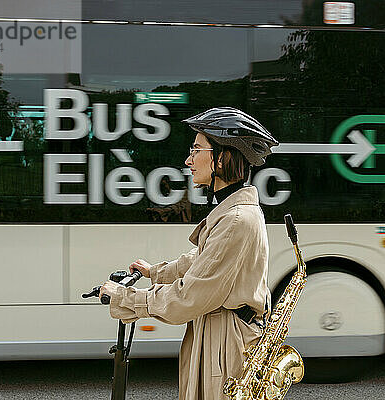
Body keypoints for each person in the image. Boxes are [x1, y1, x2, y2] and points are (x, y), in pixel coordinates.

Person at [100, 107, 279, 400]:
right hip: (219, 335)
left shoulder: (236, 220)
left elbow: (189, 297)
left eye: (196, 149)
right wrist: (154, 272)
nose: (188, 160)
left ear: (222, 157)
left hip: (224, 346)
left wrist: (126, 298)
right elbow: (202, 260)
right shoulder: (231, 211)